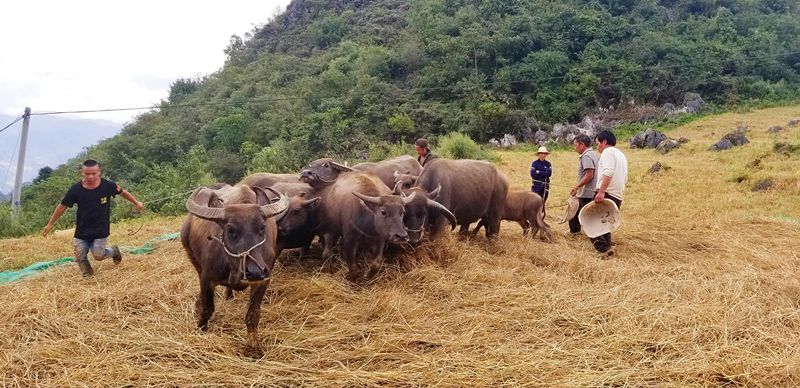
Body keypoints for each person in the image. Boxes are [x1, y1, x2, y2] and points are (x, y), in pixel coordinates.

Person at [42, 159, 144, 277]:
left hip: (101, 228)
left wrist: (136, 202)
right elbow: (62, 206)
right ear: (82, 172)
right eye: (87, 174)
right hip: (82, 229)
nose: (90, 176)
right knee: (79, 255)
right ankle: (88, 276)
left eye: (93, 173)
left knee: (98, 256)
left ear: (99, 171)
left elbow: (122, 192)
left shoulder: (108, 185)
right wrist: (50, 224)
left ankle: (114, 251)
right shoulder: (75, 190)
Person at [592, 130, 628, 258]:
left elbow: (608, 172)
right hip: (617, 195)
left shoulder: (607, 152)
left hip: (607, 193)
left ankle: (603, 249)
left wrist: (601, 191)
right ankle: (607, 248)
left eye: (598, 143)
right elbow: (625, 178)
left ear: (604, 142)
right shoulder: (621, 154)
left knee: (591, 222)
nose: (597, 147)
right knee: (605, 223)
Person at [568, 134, 600, 235]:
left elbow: (589, 174)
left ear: (582, 144)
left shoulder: (586, 156)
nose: (575, 148)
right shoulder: (594, 154)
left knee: (575, 211)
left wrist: (577, 187)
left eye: (575, 145)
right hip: (593, 190)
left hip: (587, 192)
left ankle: (576, 232)